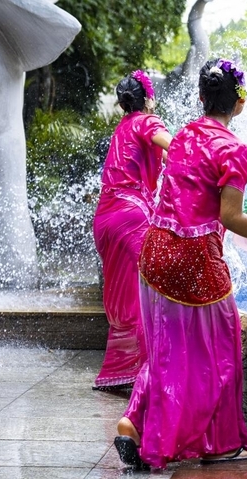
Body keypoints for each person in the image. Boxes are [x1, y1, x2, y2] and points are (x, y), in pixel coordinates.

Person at [113, 58, 247, 470]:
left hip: (154, 250)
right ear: (240, 104)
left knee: (165, 347)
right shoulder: (234, 149)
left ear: (200, 98)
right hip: (193, 257)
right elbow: (231, 217)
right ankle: (221, 444)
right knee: (220, 350)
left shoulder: (181, 137)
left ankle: (134, 422)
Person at [92, 71, 172, 390]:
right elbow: (175, 147)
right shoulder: (147, 121)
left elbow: (162, 157)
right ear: (148, 99)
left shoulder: (122, 128)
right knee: (149, 293)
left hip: (106, 218)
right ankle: (150, 375)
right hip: (131, 216)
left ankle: (118, 372)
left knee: (125, 297)